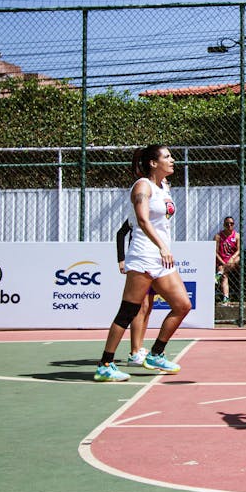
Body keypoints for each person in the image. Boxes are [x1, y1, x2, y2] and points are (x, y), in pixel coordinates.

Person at [94, 144, 190, 382]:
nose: (173, 160)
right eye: (167, 157)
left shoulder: (163, 187)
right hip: (143, 255)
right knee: (128, 311)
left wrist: (163, 249)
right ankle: (105, 364)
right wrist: (163, 246)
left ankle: (156, 353)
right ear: (153, 163)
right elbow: (142, 220)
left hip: (160, 258)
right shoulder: (142, 186)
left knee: (182, 305)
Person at [115, 219, 151, 366]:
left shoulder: (157, 215)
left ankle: (139, 347)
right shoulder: (137, 214)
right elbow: (120, 234)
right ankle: (134, 352)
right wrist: (121, 259)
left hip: (154, 262)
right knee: (140, 306)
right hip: (138, 262)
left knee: (148, 306)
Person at [214, 215, 240, 305]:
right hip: (222, 260)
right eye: (227, 224)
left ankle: (218, 275)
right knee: (224, 275)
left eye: (231, 224)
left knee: (237, 259)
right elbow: (215, 252)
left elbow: (239, 250)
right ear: (224, 225)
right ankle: (226, 297)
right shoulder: (218, 236)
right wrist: (222, 262)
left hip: (232, 260)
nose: (229, 225)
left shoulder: (236, 236)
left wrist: (232, 258)